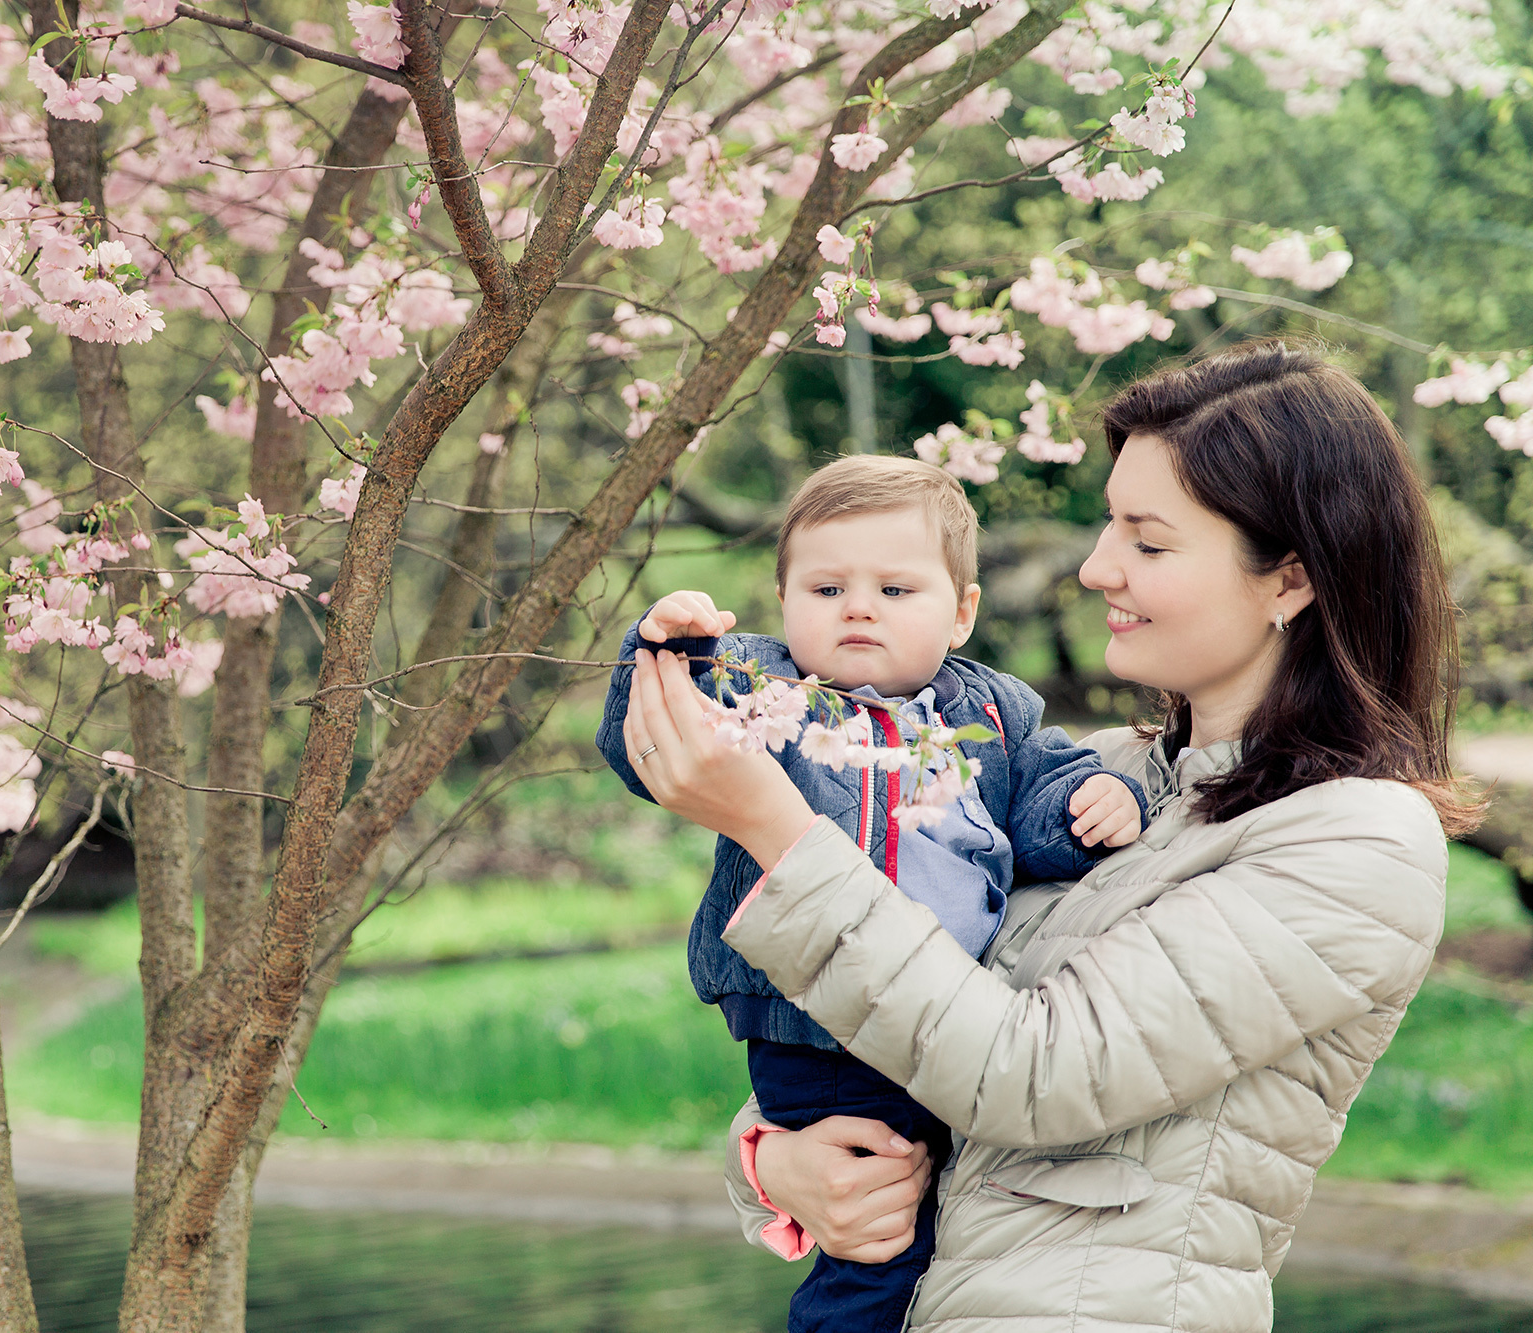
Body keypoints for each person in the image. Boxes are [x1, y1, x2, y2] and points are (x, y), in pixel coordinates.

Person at [619, 341, 1479, 1332]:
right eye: (1108, 522)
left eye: (1146, 542)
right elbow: (918, 1023)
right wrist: (774, 1159)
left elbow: (1032, 1077)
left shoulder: (1355, 843)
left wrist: (777, 830)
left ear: (1286, 579)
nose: (1094, 565)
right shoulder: (1083, 773)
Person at [595, 456, 1147, 1332]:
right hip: (811, 1031)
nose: (858, 606)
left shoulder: (994, 710)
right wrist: (662, 652)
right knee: (876, 1242)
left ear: (960, 611)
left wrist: (1090, 811)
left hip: (953, 1016)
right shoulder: (765, 689)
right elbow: (646, 744)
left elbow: (1045, 795)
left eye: (895, 587)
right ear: (783, 602)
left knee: (936, 1226)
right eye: (825, 587)